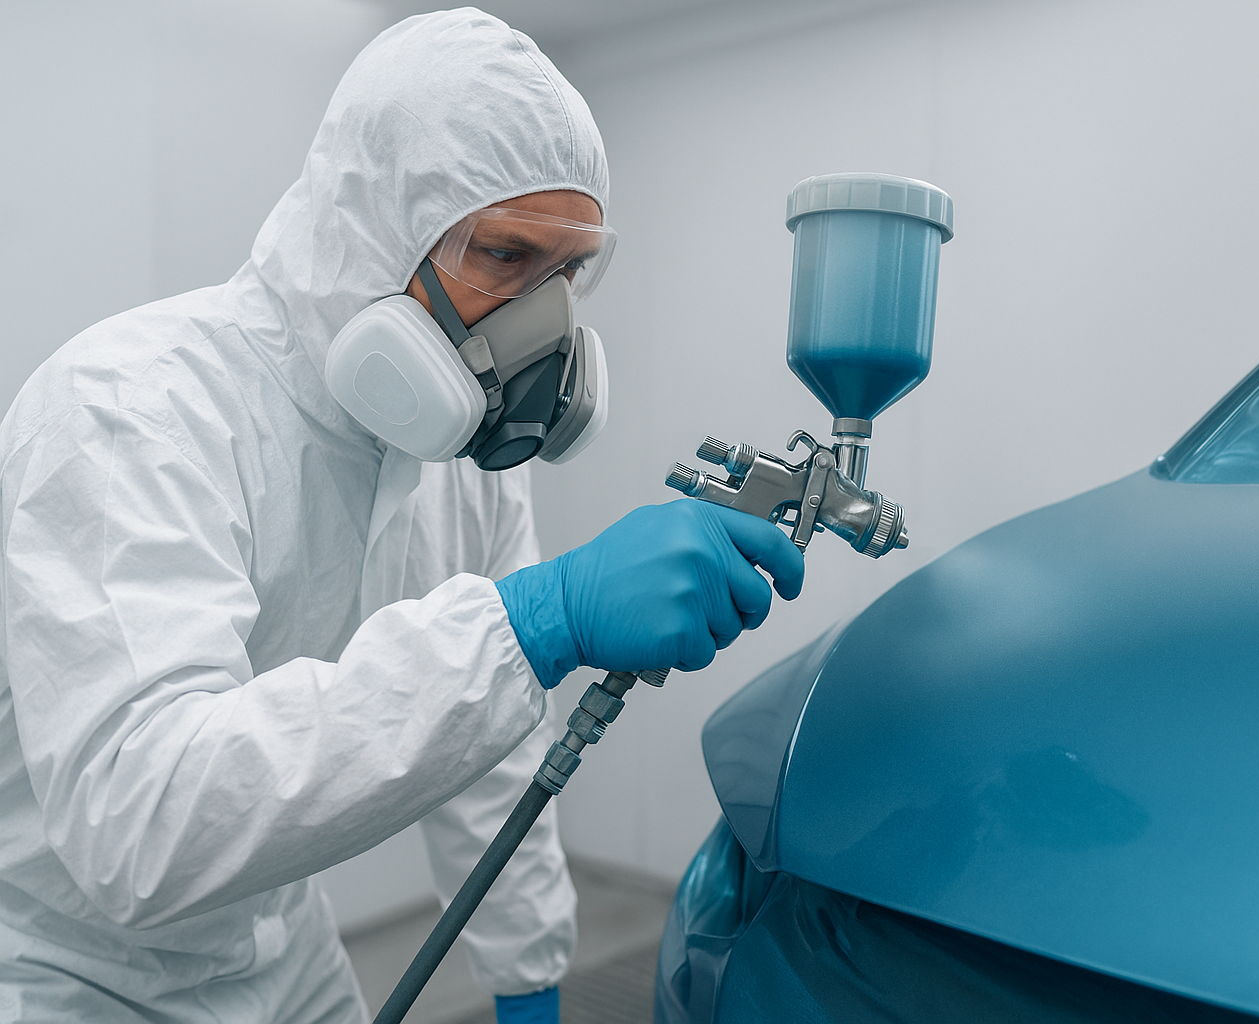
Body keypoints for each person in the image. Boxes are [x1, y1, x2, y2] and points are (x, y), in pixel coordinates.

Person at [0, 10, 801, 1024]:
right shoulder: (128, 412)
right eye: (506, 257)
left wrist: (527, 978)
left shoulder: (458, 459)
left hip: (283, 958)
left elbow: (489, 742)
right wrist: (531, 622)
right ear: (367, 228)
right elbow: (143, 823)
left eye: (566, 272)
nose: (540, 325)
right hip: (69, 975)